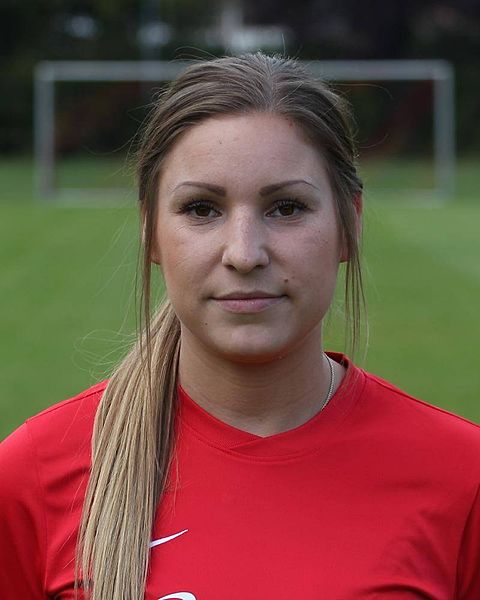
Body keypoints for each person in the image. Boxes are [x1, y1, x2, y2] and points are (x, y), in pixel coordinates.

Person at [0, 52, 479, 600]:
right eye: (202, 209)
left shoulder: (462, 476)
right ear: (150, 232)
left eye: (287, 207)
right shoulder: (33, 475)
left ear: (350, 224)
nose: (244, 253)